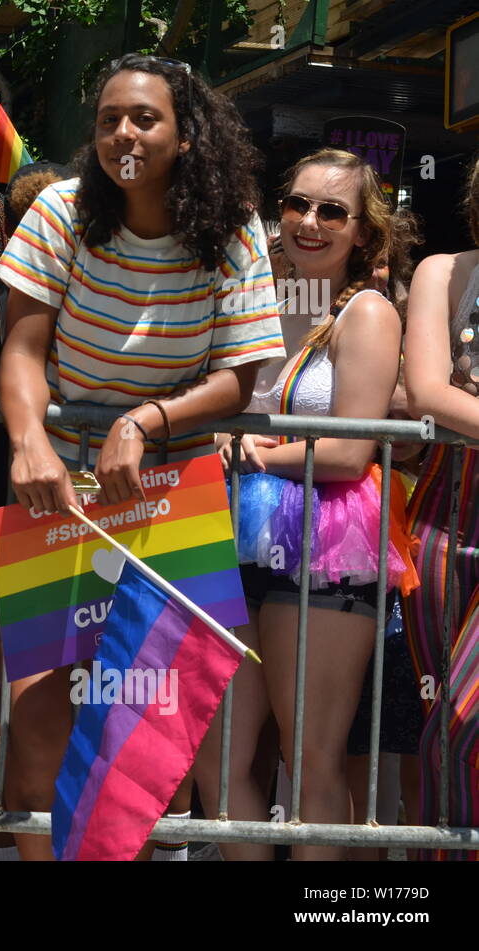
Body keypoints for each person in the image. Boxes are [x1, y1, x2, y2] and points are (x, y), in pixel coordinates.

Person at [0, 54, 288, 860]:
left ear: (186, 136)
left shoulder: (231, 227)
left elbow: (240, 378)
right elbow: (22, 349)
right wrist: (28, 443)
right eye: (108, 119)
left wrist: (147, 420)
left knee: (154, 740)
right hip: (57, 491)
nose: (123, 133)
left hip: (177, 498)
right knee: (40, 729)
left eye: (145, 118)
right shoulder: (59, 210)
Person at [196, 148, 421, 860]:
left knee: (310, 755)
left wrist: (255, 452)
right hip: (228, 536)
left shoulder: (368, 313)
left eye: (333, 211)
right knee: (218, 756)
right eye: (297, 204)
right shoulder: (258, 303)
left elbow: (353, 451)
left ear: (364, 231)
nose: (310, 222)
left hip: (328, 543)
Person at [402, 152, 479, 860]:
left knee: (468, 706)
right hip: (449, 515)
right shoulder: (442, 271)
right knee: (446, 718)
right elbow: (427, 391)